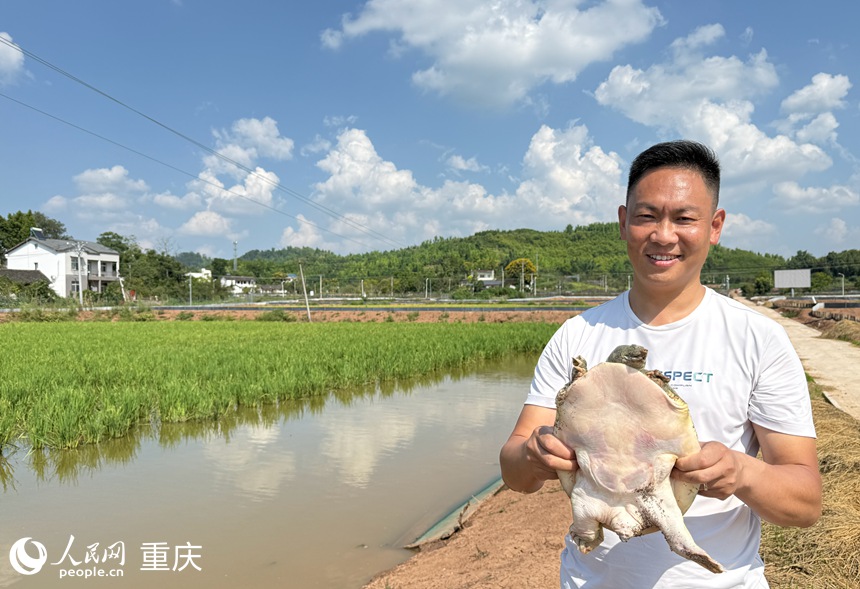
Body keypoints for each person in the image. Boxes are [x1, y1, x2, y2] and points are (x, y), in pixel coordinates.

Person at [499, 140, 821, 588]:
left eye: (685, 218)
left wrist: (741, 471)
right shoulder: (577, 335)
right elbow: (513, 471)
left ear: (715, 226)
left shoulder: (757, 338)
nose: (663, 235)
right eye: (647, 216)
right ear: (623, 221)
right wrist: (534, 455)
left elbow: (805, 503)